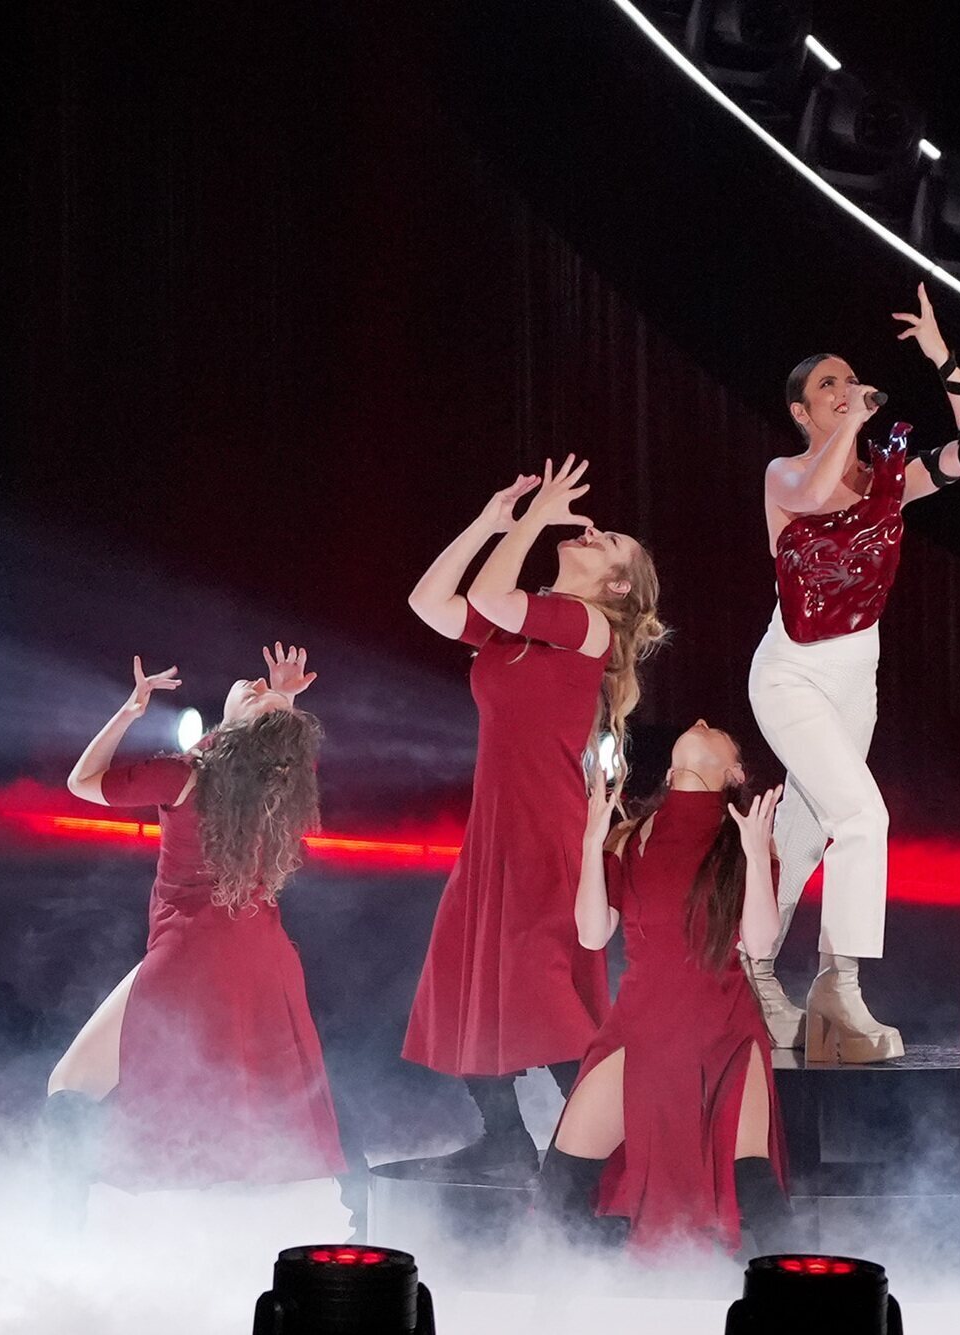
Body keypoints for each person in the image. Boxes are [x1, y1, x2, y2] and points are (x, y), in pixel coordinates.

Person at [747, 282, 960, 1061]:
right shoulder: (786, 473)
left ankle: (751, 972)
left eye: (848, 379)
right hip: (791, 671)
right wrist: (855, 424)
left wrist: (939, 356)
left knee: (810, 828)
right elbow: (822, 496)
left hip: (859, 672)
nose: (843, 389)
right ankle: (840, 984)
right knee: (866, 819)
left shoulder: (891, 474)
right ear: (802, 412)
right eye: (827, 385)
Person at [402, 457, 666, 1177]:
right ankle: (509, 1141)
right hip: (497, 830)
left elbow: (491, 591)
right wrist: (493, 522)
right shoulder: (523, 628)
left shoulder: (586, 623)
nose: (592, 530)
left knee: (545, 996)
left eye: (608, 540)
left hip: (546, 831)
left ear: (617, 586)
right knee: (471, 981)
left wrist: (533, 519)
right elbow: (429, 602)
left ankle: (604, 1151)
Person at [46, 645, 344, 1217]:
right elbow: (285, 748)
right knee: (249, 1104)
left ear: (235, 727)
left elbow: (82, 782)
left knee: (70, 1085)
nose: (253, 681)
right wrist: (280, 702)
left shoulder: (183, 776)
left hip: (190, 954)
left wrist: (132, 709)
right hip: (262, 959)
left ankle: (65, 1232)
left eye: (255, 692)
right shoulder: (282, 786)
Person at [537, 722, 791, 1255]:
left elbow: (762, 944)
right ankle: (578, 1301)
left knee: (756, 1191)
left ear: (734, 773)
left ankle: (795, 1307)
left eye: (720, 731)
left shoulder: (742, 838)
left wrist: (754, 849)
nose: (700, 723)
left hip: (722, 1030)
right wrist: (590, 841)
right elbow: (591, 933)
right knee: (560, 1190)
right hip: (641, 1031)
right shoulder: (632, 833)